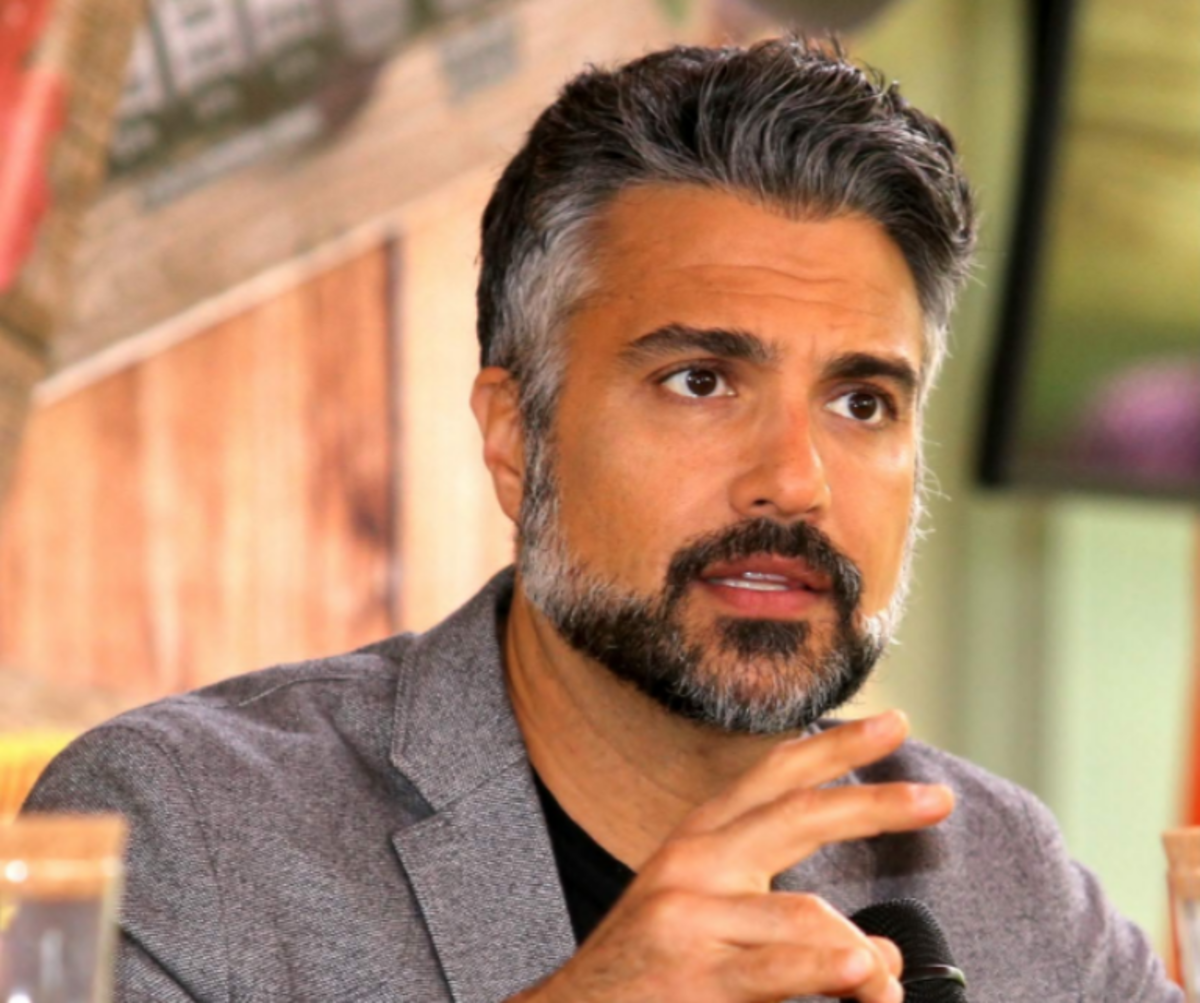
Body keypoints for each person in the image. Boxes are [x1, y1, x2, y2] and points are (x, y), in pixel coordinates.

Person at [24, 37, 1180, 1003]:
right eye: (701, 382)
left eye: (861, 402)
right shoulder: (177, 828)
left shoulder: (998, 874)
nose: (797, 480)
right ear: (516, 438)